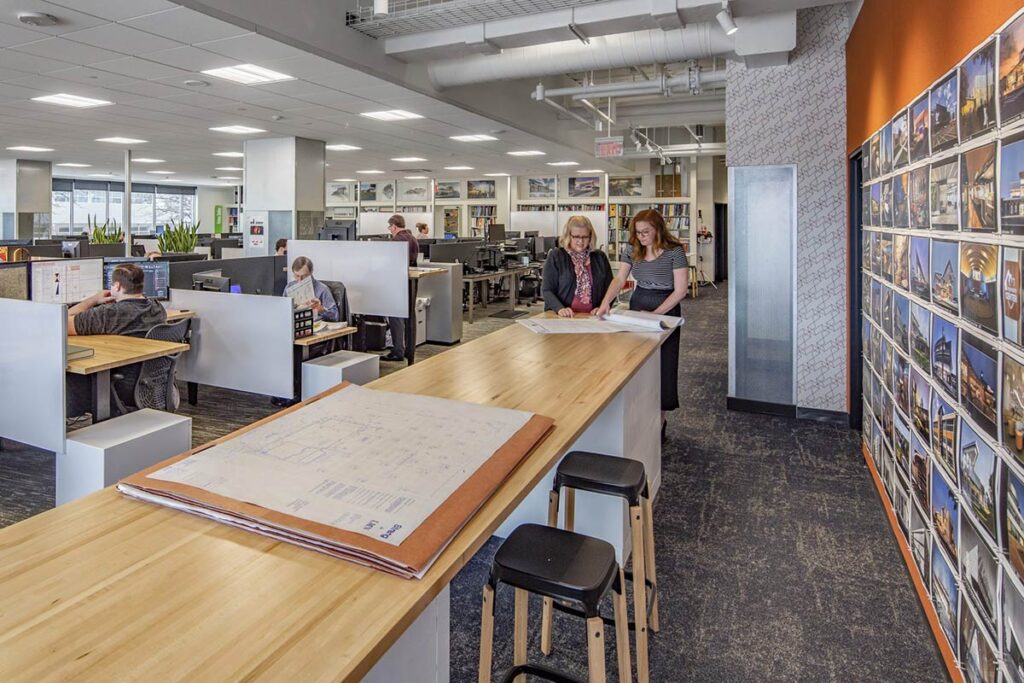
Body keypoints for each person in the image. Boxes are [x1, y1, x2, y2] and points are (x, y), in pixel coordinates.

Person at [595, 209, 688, 438]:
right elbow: (620, 279)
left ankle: (660, 423)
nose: (642, 236)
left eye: (646, 232)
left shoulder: (674, 252)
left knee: (663, 365)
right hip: (639, 303)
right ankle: (637, 415)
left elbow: (680, 290)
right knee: (636, 362)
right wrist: (606, 301)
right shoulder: (632, 249)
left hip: (665, 308)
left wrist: (655, 315)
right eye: (638, 232)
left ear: (658, 229)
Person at [67, 263, 168, 417]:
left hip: (124, 384)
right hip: (152, 382)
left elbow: (61, 321)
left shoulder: (109, 314)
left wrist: (93, 299)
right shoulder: (157, 308)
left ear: (117, 286)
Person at [541, 215, 613, 317]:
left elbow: (611, 288)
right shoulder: (556, 256)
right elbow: (547, 290)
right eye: (576, 237)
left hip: (593, 317)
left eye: (585, 237)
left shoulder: (600, 257)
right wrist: (560, 308)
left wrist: (603, 306)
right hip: (562, 316)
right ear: (568, 236)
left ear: (590, 237)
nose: (581, 241)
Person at [384, 214, 419, 362]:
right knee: (409, 316)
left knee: (395, 316)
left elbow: (391, 262)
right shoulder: (413, 239)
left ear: (394, 226)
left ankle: (398, 351)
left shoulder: (397, 240)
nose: (390, 230)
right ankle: (409, 351)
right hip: (410, 283)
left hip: (398, 282)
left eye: (389, 227)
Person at [283, 256, 339, 323]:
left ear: (311, 272)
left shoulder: (322, 289)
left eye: (304, 276)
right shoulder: (289, 287)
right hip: (294, 325)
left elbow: (335, 316)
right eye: (297, 276)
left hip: (315, 327)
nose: (300, 280)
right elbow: (282, 311)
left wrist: (321, 309)